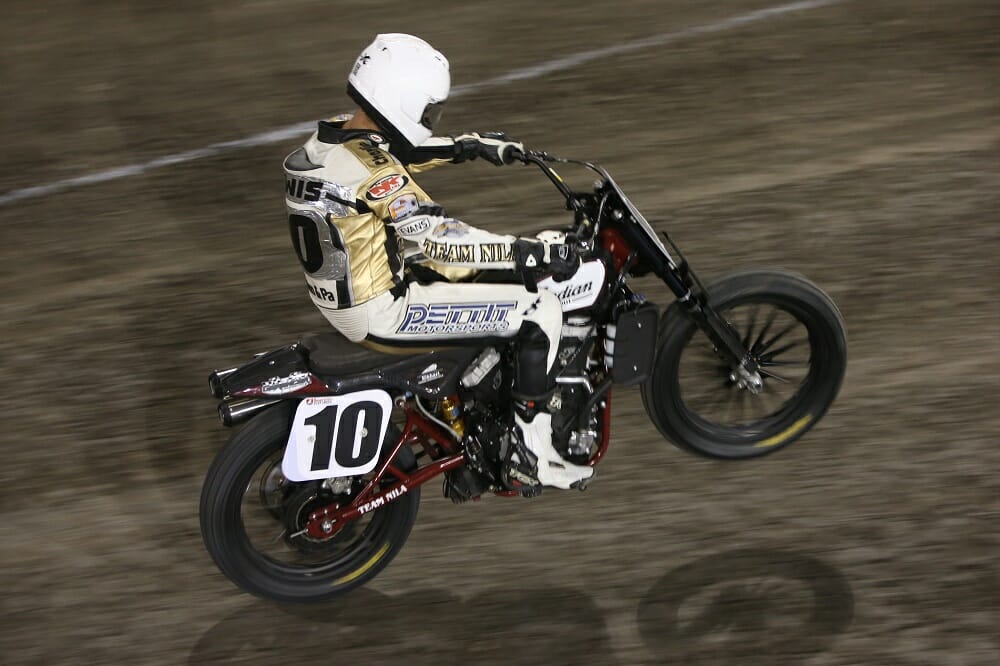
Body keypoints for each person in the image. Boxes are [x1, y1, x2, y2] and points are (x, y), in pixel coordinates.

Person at [283, 33, 594, 491]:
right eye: (429, 111)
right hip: (382, 309)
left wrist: (469, 146)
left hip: (346, 294)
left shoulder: (330, 139)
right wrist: (529, 251)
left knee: (477, 280)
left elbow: (391, 153)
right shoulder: (377, 175)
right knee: (540, 309)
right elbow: (442, 241)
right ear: (402, 99)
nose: (430, 120)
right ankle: (531, 452)